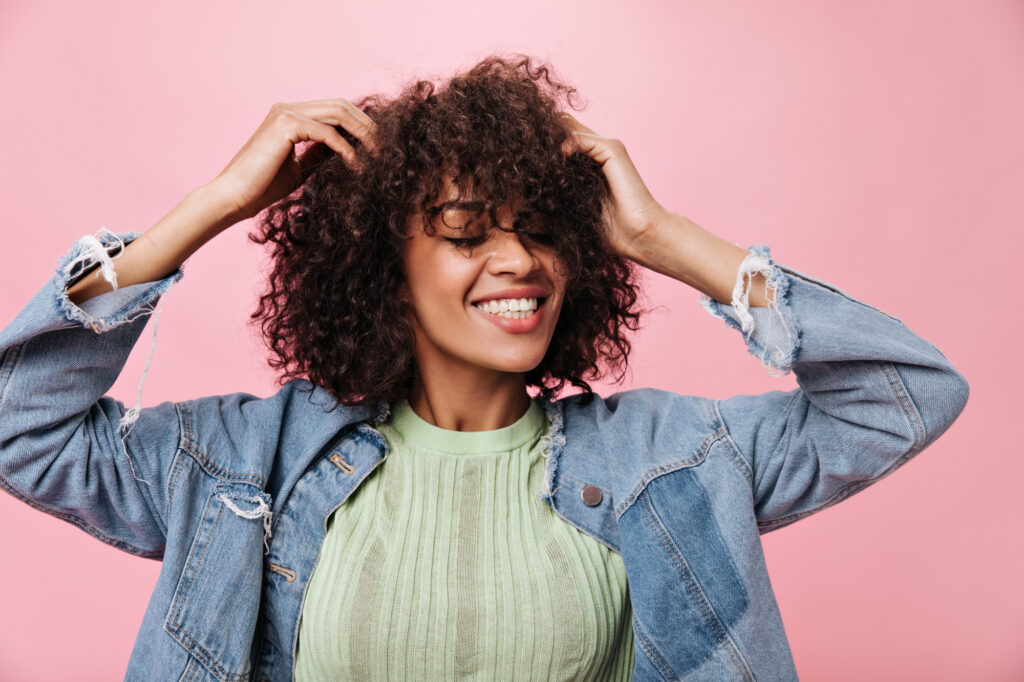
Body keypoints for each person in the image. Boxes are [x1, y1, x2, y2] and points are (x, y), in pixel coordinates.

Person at [0, 54, 969, 681]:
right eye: (467, 233)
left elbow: (905, 395)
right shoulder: (247, 462)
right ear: (384, 265)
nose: (519, 261)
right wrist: (213, 205)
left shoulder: (671, 458)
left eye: (543, 230)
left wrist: (664, 237)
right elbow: (19, 423)